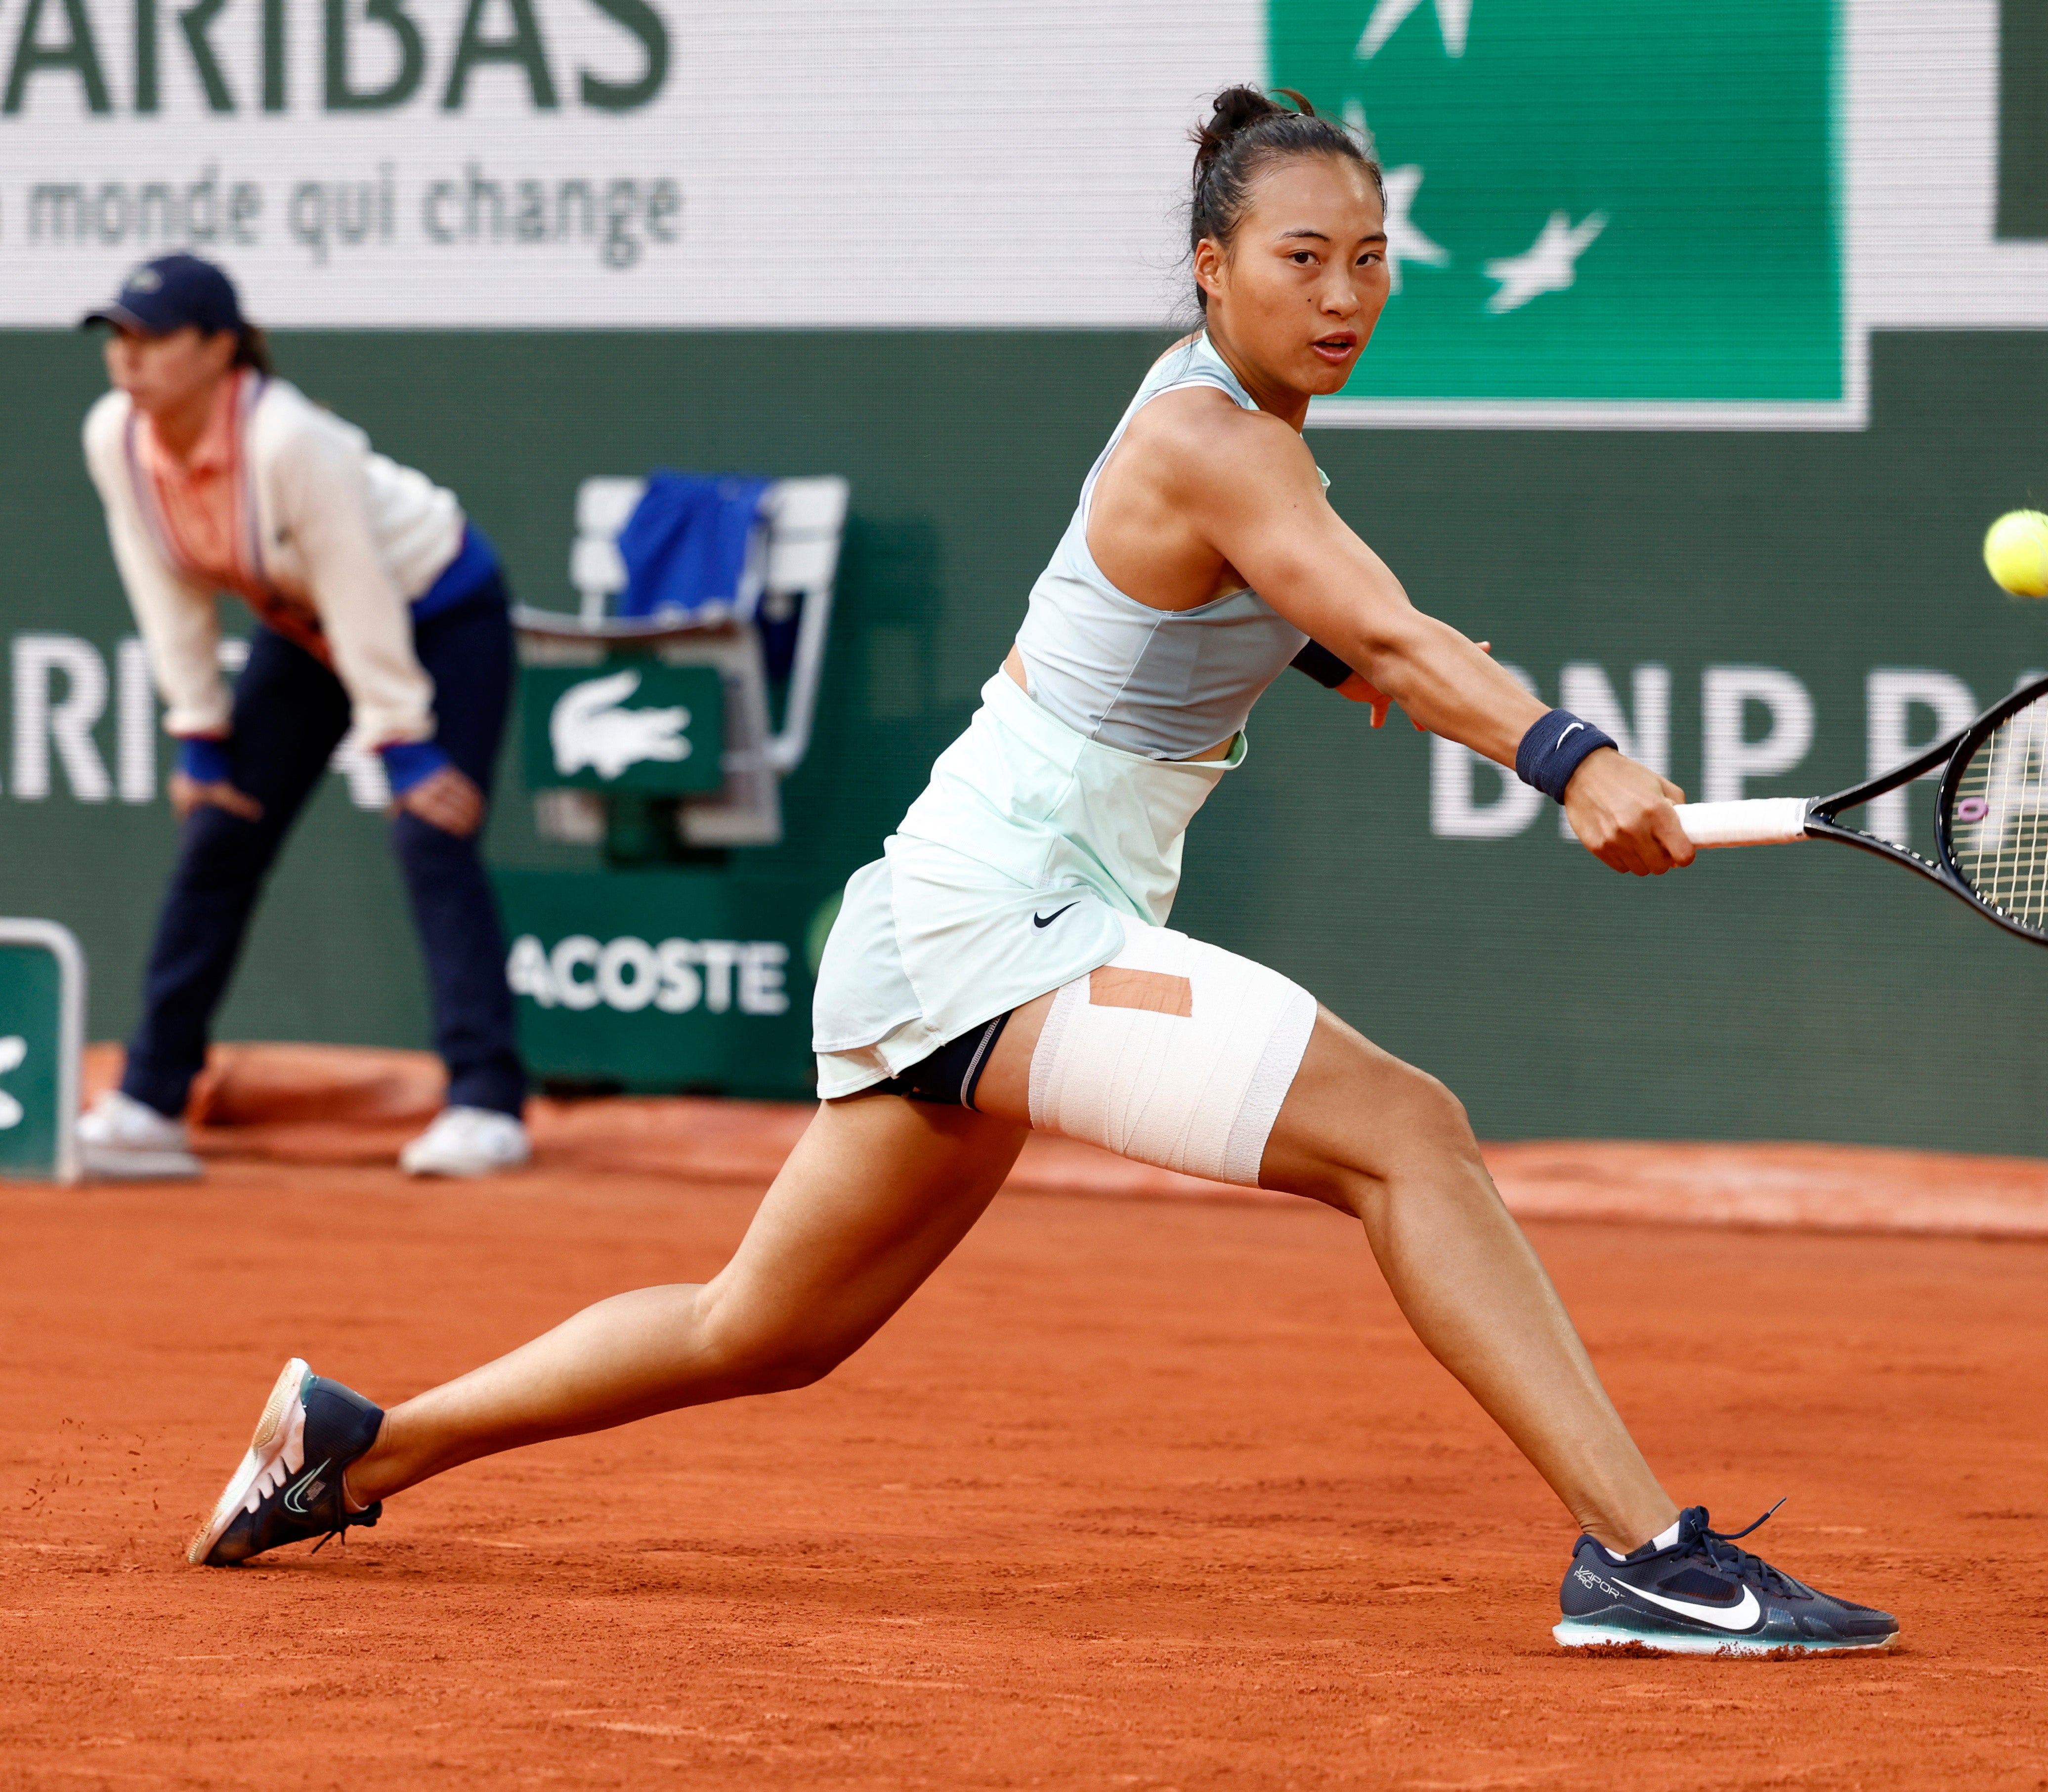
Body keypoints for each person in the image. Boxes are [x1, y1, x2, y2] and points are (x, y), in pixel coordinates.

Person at [182, 93, 1896, 1655]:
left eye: (1372, 259)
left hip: (971, 914)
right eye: (1300, 258)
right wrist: (1567, 753)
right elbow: (1374, 616)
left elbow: (1272, 615)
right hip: (998, 920)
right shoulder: (1222, 437)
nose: (1343, 294)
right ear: (1214, 269)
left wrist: (1338, 666)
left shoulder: (1222, 424)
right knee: (1408, 1129)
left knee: (761, 1327)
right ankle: (1642, 1553)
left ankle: (358, 1441)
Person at [74, 253, 531, 1181]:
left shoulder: (289, 441)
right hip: (306, 628)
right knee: (219, 832)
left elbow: (362, 587)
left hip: (440, 614)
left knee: (429, 834)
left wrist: (401, 740)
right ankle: (152, 1099)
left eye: (154, 339)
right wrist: (197, 730)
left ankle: (487, 1105)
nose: (130, 360)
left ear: (219, 350)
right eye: (119, 338)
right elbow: (160, 578)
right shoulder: (114, 436)